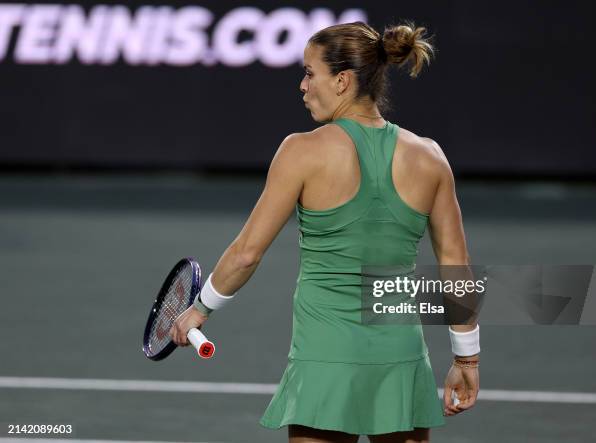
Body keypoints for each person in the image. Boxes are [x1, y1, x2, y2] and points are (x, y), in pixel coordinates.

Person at [171, 20, 480, 443]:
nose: (302, 85)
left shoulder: (301, 151)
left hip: (326, 360)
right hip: (401, 360)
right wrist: (467, 359)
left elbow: (246, 253)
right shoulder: (430, 157)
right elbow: (455, 268)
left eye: (308, 72)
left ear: (342, 81)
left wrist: (199, 308)